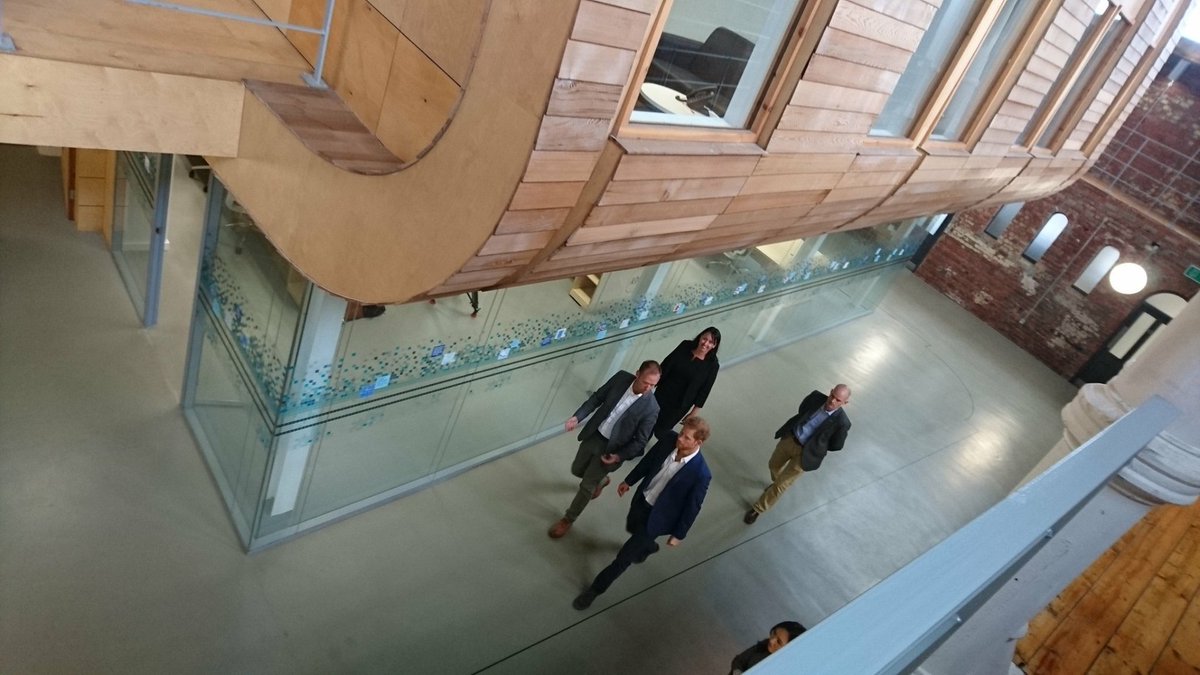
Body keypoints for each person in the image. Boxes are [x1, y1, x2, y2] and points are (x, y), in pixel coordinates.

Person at [572, 416, 712, 609]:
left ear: (699, 442)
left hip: (658, 519)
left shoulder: (701, 474)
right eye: (681, 434)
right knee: (631, 526)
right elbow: (648, 462)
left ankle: (595, 590)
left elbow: (693, 507)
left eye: (687, 438)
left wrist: (678, 534)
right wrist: (628, 481)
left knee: (623, 558)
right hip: (642, 502)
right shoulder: (668, 441)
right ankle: (648, 547)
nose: (680, 439)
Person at [548, 361, 662, 539]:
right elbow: (597, 398)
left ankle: (568, 519)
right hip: (594, 435)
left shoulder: (651, 408)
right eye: (646, 382)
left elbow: (640, 441)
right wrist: (578, 417)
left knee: (586, 486)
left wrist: (618, 456)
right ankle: (601, 481)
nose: (648, 388)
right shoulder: (621, 378)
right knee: (577, 469)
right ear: (637, 373)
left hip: (612, 451)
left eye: (653, 385)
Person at [744, 384, 851, 524]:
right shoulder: (815, 397)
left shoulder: (842, 423)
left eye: (838, 400)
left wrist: (817, 446)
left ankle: (758, 509)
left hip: (805, 455)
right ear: (830, 392)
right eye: (832, 396)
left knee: (781, 485)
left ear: (845, 403)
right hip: (791, 439)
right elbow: (802, 410)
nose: (832, 401)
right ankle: (775, 482)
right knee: (773, 465)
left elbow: (836, 445)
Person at [653, 326, 721, 437]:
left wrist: (693, 413)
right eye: (704, 339)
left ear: (714, 346)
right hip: (663, 392)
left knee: (661, 431)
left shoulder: (712, 365)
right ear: (700, 337)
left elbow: (704, 391)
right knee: (647, 421)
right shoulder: (685, 345)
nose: (706, 343)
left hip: (679, 404)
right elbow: (667, 363)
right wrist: (651, 383)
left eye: (711, 342)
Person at [729, 621, 807, 673]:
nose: (772, 640)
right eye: (774, 633)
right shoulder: (765, 644)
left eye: (779, 642)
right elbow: (739, 661)